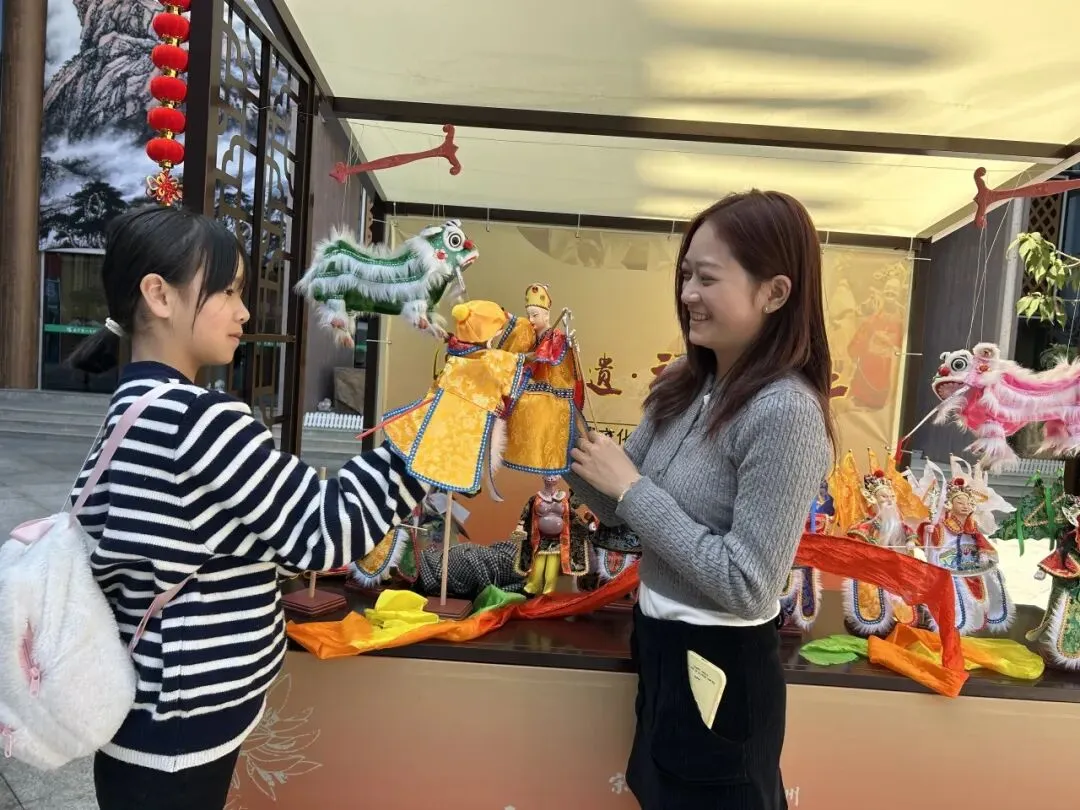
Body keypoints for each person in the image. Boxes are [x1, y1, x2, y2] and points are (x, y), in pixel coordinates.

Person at [66, 206, 430, 810]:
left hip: (146, 715)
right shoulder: (196, 418)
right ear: (158, 294)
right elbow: (325, 530)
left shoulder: (133, 407)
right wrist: (426, 453)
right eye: (228, 290)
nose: (243, 312)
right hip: (181, 731)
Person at [566, 190, 835, 810]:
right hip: (657, 644)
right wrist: (542, 422)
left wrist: (633, 488)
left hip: (720, 665)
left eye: (707, 278)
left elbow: (749, 583)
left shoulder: (786, 412)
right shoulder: (683, 386)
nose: (688, 293)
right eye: (685, 274)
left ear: (775, 292)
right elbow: (613, 506)